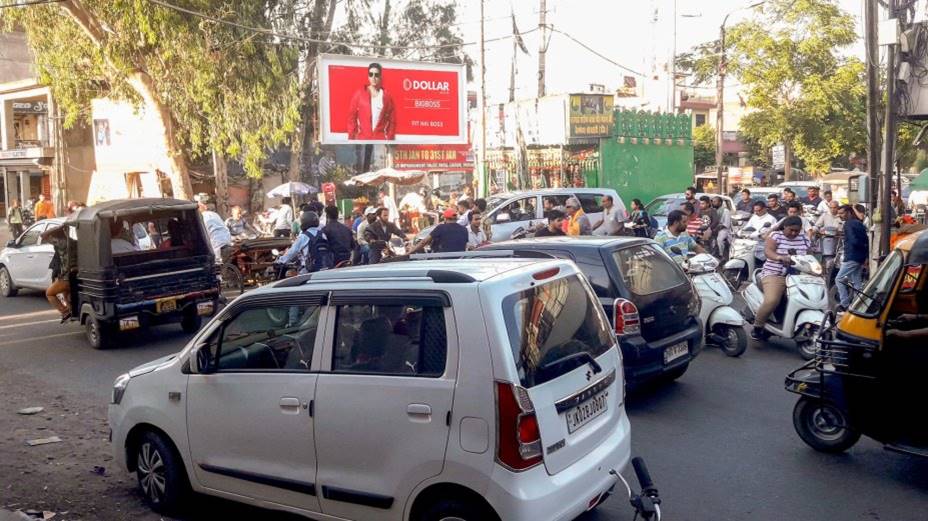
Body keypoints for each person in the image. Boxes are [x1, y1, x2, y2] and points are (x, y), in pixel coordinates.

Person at [751, 216, 811, 339]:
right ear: (784, 227)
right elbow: (768, 252)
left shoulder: (804, 238)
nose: (794, 233)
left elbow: (810, 255)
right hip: (775, 274)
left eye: (797, 230)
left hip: (799, 277)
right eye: (791, 230)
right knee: (772, 300)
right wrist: (779, 257)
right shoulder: (775, 236)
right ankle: (758, 326)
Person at [346, 62, 396, 140]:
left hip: (380, 140)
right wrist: (351, 138)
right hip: (363, 140)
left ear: (380, 77)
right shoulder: (359, 94)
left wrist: (389, 139)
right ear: (368, 76)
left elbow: (392, 121)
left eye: (376, 75)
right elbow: (352, 118)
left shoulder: (386, 97)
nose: (373, 77)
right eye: (371, 74)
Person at [836, 204, 869, 311]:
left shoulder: (848, 224)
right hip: (860, 256)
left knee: (839, 279)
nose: (840, 215)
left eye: (842, 213)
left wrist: (854, 249)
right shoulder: (859, 223)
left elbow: (853, 240)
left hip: (852, 256)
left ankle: (844, 304)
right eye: (839, 213)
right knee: (857, 283)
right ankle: (858, 305)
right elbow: (865, 240)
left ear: (849, 212)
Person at [41, 224, 74, 322]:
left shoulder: (61, 243)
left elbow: (43, 236)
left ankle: (65, 312)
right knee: (65, 292)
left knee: (49, 293)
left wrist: (57, 228)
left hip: (67, 277)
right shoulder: (73, 242)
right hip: (77, 275)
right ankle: (71, 309)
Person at [196, 195, 232, 260]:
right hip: (226, 241)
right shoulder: (214, 214)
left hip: (216, 245)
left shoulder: (203, 217)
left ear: (203, 206)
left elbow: (204, 233)